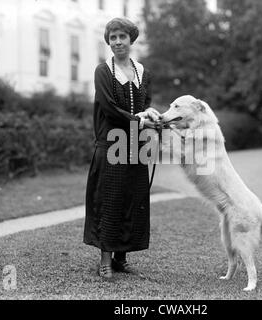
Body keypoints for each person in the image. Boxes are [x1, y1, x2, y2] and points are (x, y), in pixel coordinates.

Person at [83, 17, 161, 279]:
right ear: (109, 41)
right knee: (110, 200)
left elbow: (144, 105)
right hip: (111, 144)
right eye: (112, 37)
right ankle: (105, 260)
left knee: (132, 198)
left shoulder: (143, 72)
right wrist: (138, 119)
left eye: (122, 37)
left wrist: (150, 117)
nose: (117, 42)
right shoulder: (103, 71)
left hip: (135, 145)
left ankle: (120, 258)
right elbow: (108, 108)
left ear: (131, 39)